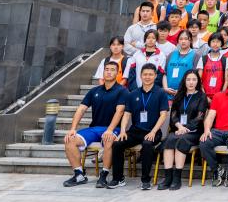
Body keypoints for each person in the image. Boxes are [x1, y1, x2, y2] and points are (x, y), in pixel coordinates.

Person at [62, 59, 126, 187]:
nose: (109, 72)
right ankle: (79, 175)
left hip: (113, 129)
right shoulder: (94, 91)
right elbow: (81, 109)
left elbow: (119, 112)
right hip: (95, 128)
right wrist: (73, 128)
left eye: (112, 70)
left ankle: (104, 175)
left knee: (109, 139)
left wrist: (110, 130)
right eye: (106, 70)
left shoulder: (122, 91)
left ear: (118, 73)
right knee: (70, 140)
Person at [108, 63, 170, 189]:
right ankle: (118, 178)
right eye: (145, 74)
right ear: (140, 76)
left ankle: (145, 180)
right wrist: (123, 131)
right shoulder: (133, 94)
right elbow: (126, 114)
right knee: (117, 144)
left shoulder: (161, 93)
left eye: (150, 74)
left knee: (147, 144)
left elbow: (163, 115)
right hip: (135, 131)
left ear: (155, 76)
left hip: (153, 131)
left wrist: (153, 132)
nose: (147, 77)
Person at [159, 69, 208, 190]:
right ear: (184, 81)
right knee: (169, 140)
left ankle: (177, 178)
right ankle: (168, 177)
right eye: (188, 79)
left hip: (194, 132)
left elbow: (200, 117)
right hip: (178, 129)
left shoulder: (201, 96)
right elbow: (173, 114)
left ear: (198, 81)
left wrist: (185, 129)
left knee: (182, 140)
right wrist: (180, 126)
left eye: (194, 80)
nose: (191, 82)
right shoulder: (178, 95)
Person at [164, 30, 199, 96]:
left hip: (186, 94)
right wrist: (165, 88)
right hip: (168, 94)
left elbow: (197, 77)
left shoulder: (196, 56)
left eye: (186, 39)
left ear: (191, 40)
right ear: (178, 41)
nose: (183, 41)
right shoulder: (171, 54)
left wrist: (182, 91)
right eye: (181, 39)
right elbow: (165, 74)